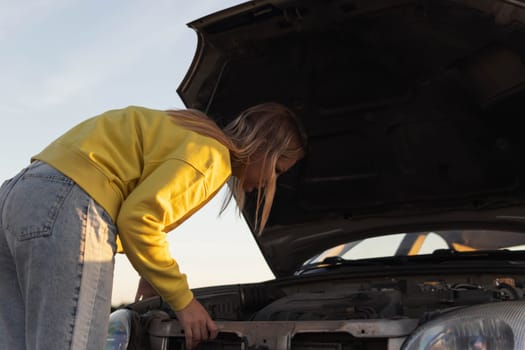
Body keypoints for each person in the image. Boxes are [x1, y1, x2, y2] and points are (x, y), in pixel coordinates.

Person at [0, 102, 307, 350]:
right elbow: (138, 220)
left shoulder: (187, 130)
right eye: (278, 170)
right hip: (69, 203)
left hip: (17, 197)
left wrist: (151, 278)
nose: (271, 182)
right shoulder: (211, 156)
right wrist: (184, 302)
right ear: (266, 150)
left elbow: (137, 207)